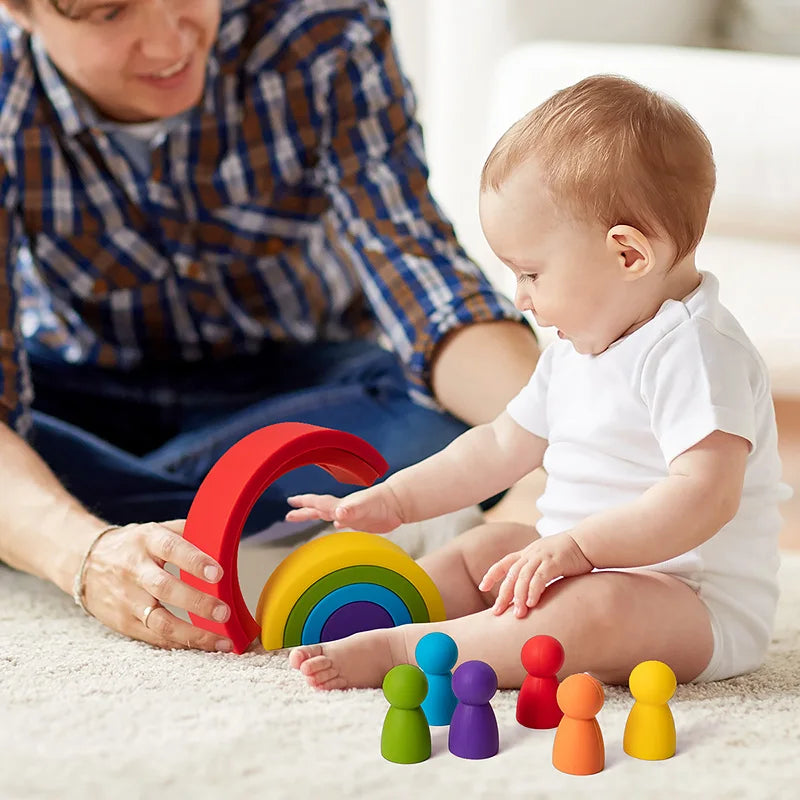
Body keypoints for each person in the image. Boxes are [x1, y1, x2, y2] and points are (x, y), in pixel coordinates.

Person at [0, 1, 540, 653]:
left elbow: (425, 283)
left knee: (447, 414)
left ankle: (117, 509)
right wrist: (82, 556)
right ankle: (229, 514)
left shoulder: (324, 27)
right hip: (78, 389)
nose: (169, 38)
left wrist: (560, 440)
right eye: (112, 11)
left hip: (307, 380)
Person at [287, 74, 791, 690]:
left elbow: (703, 497)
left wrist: (579, 550)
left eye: (530, 273)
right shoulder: (573, 350)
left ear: (627, 255)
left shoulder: (698, 352)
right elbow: (499, 447)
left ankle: (405, 651)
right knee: (488, 548)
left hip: (688, 602)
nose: (519, 298)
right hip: (575, 559)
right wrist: (396, 499)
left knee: (591, 610)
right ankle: (393, 606)